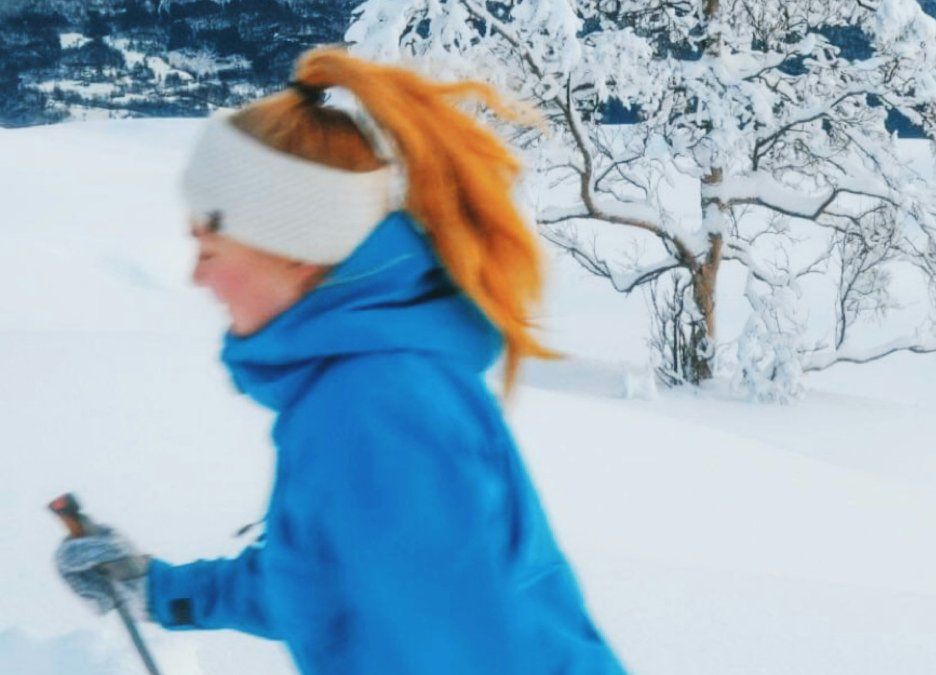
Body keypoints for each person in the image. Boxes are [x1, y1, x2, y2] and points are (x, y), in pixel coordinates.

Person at [53, 46, 628, 674]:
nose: (197, 277)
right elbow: (328, 582)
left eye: (211, 249)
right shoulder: (359, 383)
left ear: (294, 249)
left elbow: (452, 650)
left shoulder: (375, 404)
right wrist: (158, 591)